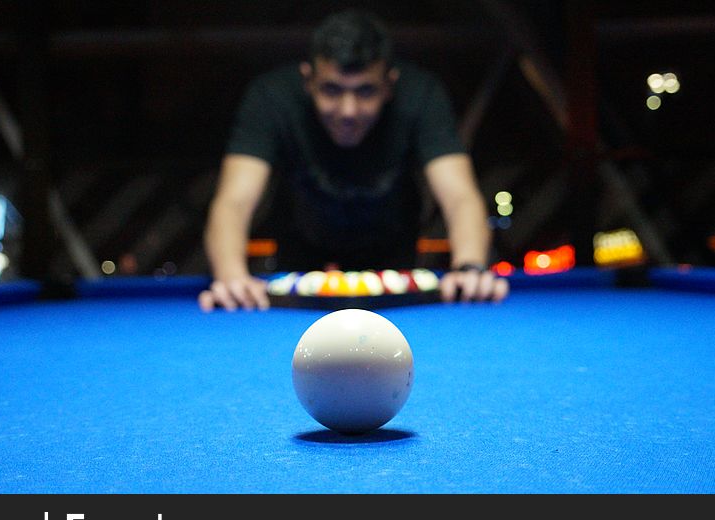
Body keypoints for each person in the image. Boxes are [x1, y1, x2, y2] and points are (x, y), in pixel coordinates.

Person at [198, 9, 509, 312]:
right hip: (300, 252)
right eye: (331, 90)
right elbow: (234, 201)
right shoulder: (271, 98)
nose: (348, 111)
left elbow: (459, 196)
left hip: (392, 256)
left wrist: (470, 266)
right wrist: (231, 277)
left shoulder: (421, 96)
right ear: (308, 80)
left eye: (366, 91)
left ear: (390, 84)